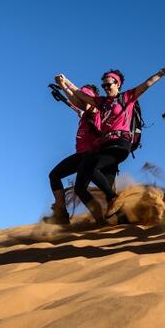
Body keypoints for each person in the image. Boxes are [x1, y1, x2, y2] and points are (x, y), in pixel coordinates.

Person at [56, 61, 165, 223]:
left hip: (120, 144)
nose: (105, 87)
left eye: (108, 84)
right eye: (103, 85)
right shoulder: (101, 102)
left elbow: (148, 83)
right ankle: (123, 220)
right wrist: (65, 81)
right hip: (104, 147)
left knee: (89, 165)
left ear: (117, 84)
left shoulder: (127, 97)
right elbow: (81, 95)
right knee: (99, 181)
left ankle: (114, 199)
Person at [46, 84, 118, 225]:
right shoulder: (86, 114)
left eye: (85, 96)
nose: (82, 98)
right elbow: (77, 104)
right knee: (59, 178)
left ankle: (112, 208)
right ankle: (62, 213)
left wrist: (65, 85)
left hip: (91, 154)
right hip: (82, 155)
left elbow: (79, 100)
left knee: (85, 188)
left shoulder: (96, 109)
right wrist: (64, 90)